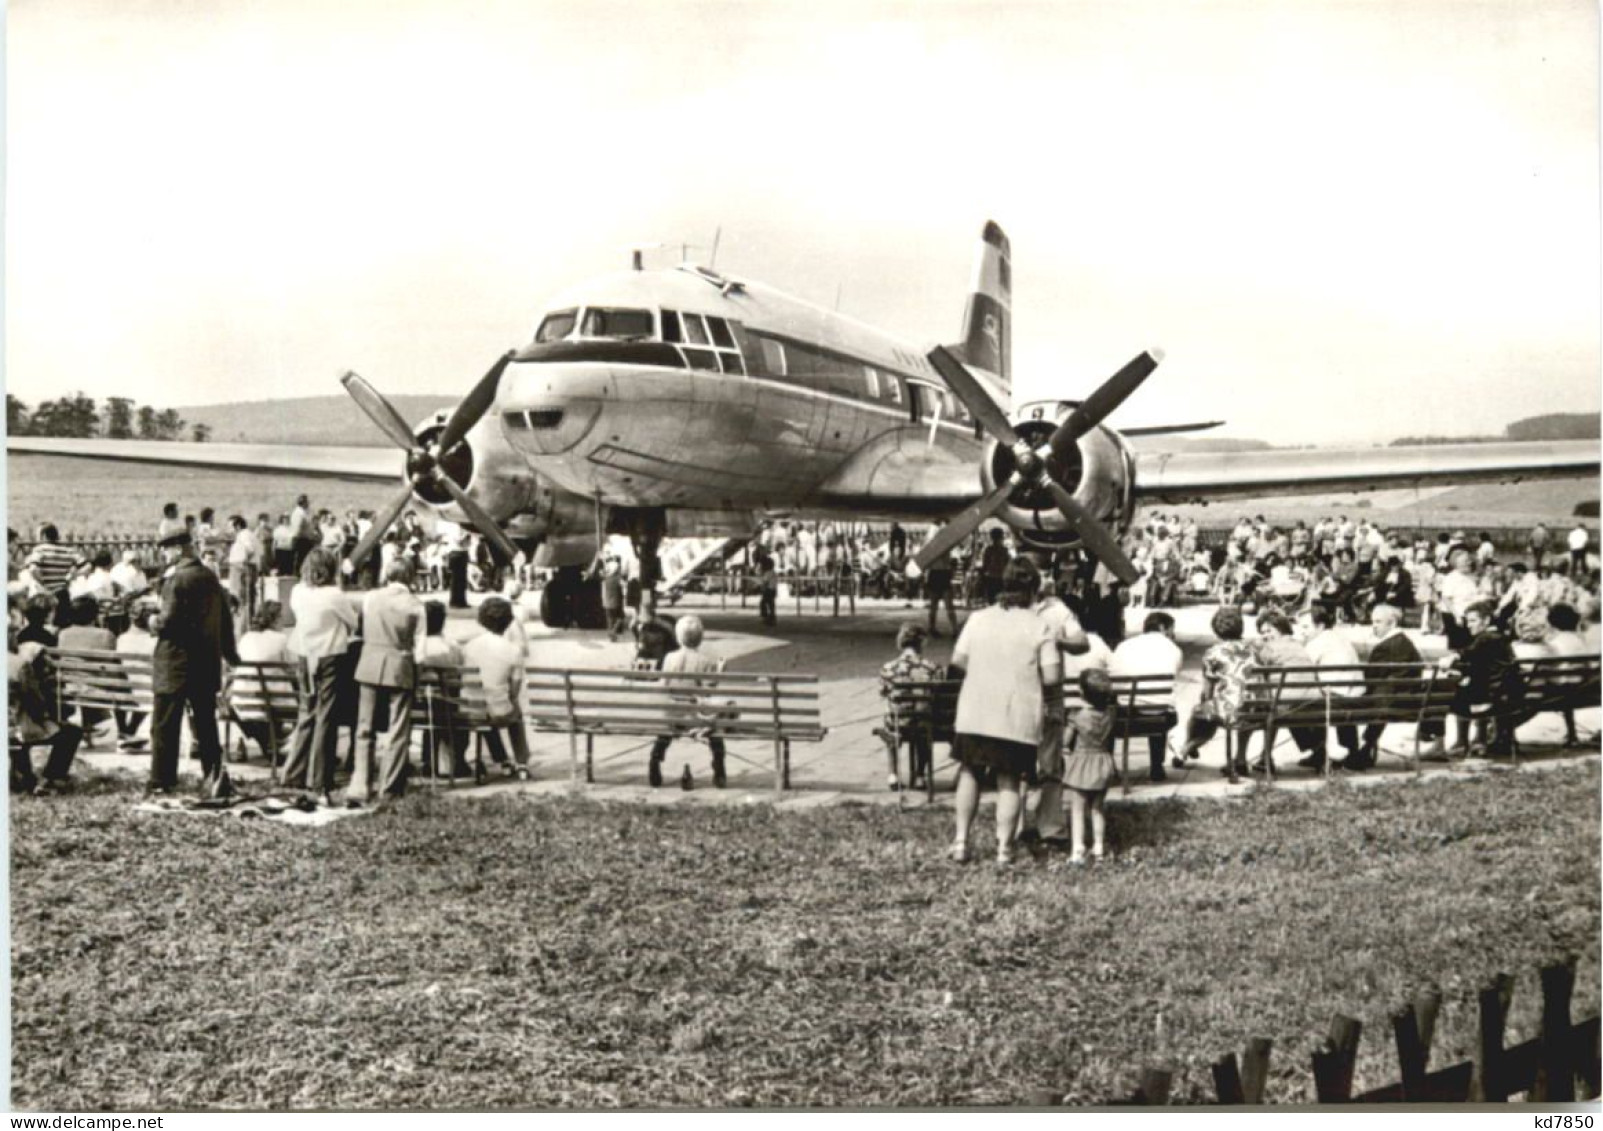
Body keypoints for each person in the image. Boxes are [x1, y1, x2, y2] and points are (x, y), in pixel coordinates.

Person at [947, 558, 1061, 866]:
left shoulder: (979, 618)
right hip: (1017, 716)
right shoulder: (1040, 626)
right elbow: (1051, 678)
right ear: (1033, 589)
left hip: (975, 710)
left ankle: (960, 842)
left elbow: (958, 661)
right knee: (1009, 781)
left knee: (969, 772)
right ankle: (1004, 850)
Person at [149, 528, 240, 798]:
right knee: (205, 725)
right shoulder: (209, 577)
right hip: (204, 663)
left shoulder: (177, 580)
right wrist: (230, 654)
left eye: (166, 549)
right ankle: (214, 775)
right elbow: (225, 619)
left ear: (178, 549)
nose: (165, 554)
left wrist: (150, 621)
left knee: (165, 725)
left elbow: (167, 622)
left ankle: (161, 781)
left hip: (175, 663)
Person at [282, 548, 358, 805]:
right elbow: (353, 621)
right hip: (329, 656)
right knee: (326, 716)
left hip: (305, 654)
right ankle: (320, 777)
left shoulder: (297, 592)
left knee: (307, 713)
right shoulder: (334, 595)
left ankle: (294, 771)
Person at [349, 559, 424, 806]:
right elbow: (420, 649)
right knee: (398, 728)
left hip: (369, 661)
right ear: (410, 576)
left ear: (387, 575)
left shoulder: (371, 597)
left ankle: (360, 784)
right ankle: (389, 786)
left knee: (364, 727)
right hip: (399, 663)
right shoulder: (416, 605)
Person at [1031, 569, 1091, 846]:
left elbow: (1082, 641)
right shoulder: (1008, 608)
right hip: (1020, 692)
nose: (1048, 578)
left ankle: (1050, 826)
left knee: (1050, 764)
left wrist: (1057, 641)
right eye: (1040, 573)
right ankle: (1014, 825)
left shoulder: (1058, 609)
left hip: (1049, 694)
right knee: (1016, 766)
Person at [646, 615, 729, 788]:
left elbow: (665, 686)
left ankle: (655, 759)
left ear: (678, 636)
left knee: (666, 728)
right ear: (700, 637)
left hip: (672, 715)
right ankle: (719, 767)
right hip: (694, 718)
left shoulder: (669, 658)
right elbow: (708, 691)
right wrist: (719, 673)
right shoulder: (705, 661)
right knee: (716, 729)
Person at [1179, 605, 1259, 777]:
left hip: (1229, 709)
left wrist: (1205, 702)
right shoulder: (1254, 650)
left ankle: (1187, 748)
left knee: (1202, 711)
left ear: (1216, 630)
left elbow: (1207, 690)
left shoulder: (1213, 653)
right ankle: (1241, 759)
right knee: (1243, 705)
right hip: (1256, 707)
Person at [1107, 611, 1183, 781]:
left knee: (1108, 710)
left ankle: (1109, 765)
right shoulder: (1174, 649)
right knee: (1161, 705)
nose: (1173, 634)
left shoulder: (1124, 646)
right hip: (1160, 719)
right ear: (1163, 627)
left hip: (1124, 716)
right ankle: (1157, 765)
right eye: (1171, 629)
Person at [1443, 599, 1523, 758]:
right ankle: (1480, 740)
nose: (1468, 625)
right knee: (1470, 688)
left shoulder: (1485, 638)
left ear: (1486, 621)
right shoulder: (1499, 638)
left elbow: (1467, 654)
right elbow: (1479, 665)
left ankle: (1462, 741)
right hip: (1507, 695)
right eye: (1467, 621)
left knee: (1456, 695)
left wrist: (1452, 660)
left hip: (1492, 697)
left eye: (1473, 621)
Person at [462, 596, 532, 778]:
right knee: (512, 709)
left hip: (472, 711)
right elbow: (515, 689)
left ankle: (501, 759)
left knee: (483, 704)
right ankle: (521, 761)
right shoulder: (513, 650)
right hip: (499, 711)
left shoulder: (469, 647)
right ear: (508, 622)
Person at [1250, 610, 1326, 774]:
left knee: (1273, 705)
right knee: (1286, 701)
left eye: (1269, 631)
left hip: (1286, 707)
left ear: (1281, 629)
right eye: (1262, 633)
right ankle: (1319, 751)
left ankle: (1265, 758)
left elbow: (1259, 676)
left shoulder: (1268, 649)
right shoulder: (1299, 646)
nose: (1265, 636)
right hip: (1314, 703)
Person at [9, 625, 81, 796]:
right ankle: (53, 778)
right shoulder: (19, 665)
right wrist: (47, 717)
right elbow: (34, 701)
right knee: (71, 733)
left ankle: (22, 776)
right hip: (17, 726)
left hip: (10, 724)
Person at [1295, 604, 1364, 769]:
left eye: (1305, 627)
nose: (1301, 631)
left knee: (1293, 707)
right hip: (1355, 697)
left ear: (1320, 626)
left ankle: (1318, 751)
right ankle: (1351, 752)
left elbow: (1302, 670)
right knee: (1321, 698)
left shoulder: (1317, 643)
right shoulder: (1340, 639)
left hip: (1334, 700)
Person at [1062, 669, 1118, 864]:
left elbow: (1065, 741)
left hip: (1082, 763)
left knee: (1077, 808)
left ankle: (1077, 849)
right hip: (1102, 762)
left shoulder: (1076, 716)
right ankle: (1099, 847)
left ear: (1082, 694)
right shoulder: (1110, 714)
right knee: (1098, 808)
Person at [878, 623, 941, 792]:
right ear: (922, 643)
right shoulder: (932, 668)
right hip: (924, 724)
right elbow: (937, 695)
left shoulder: (889, 668)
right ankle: (920, 774)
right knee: (924, 717)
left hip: (899, 723)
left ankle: (893, 774)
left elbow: (883, 692)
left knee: (889, 716)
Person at [415, 600, 466, 777]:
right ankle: (456, 760)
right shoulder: (451, 646)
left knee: (433, 709)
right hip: (448, 705)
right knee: (448, 704)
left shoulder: (417, 647)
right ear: (443, 621)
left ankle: (427, 761)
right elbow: (460, 671)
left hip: (419, 706)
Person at [113, 607, 157, 751]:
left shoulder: (121, 639)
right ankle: (130, 731)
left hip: (124, 692)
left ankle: (124, 732)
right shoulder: (155, 641)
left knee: (122, 686)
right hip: (149, 691)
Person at [25, 524, 85, 627]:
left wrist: (42, 583)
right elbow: (87, 565)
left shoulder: (40, 550)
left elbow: (33, 569)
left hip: (45, 596)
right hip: (62, 592)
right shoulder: (68, 551)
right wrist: (72, 576)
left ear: (44, 536)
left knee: (43, 625)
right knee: (62, 624)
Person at [922, 525, 960, 638]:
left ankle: (934, 628)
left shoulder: (931, 547)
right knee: (946, 604)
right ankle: (953, 629)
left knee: (936, 605)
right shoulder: (944, 545)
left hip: (936, 574)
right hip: (941, 573)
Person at [225, 514, 260, 629]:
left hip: (242, 570)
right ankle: (245, 625)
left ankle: (244, 627)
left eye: (230, 527)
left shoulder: (244, 535)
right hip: (245, 569)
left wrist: (241, 565)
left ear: (238, 526)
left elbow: (248, 550)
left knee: (242, 600)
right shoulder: (246, 534)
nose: (229, 530)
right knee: (245, 600)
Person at [594, 553, 626, 641]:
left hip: (606, 602)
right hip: (615, 601)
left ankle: (611, 635)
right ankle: (613, 631)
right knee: (621, 617)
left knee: (609, 619)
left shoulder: (606, 579)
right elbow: (623, 587)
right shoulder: (617, 579)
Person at [978, 528, 1011, 606]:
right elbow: (1008, 564)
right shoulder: (1004, 550)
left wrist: (982, 575)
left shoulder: (989, 550)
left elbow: (985, 565)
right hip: (1001, 577)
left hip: (992, 577)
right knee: (1000, 600)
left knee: (992, 600)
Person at [290, 494, 316, 576]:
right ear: (303, 503)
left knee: (304, 560)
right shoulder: (299, 513)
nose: (308, 504)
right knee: (302, 560)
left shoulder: (302, 512)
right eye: (307, 502)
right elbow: (298, 528)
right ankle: (299, 576)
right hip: (301, 540)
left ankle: (302, 575)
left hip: (304, 539)